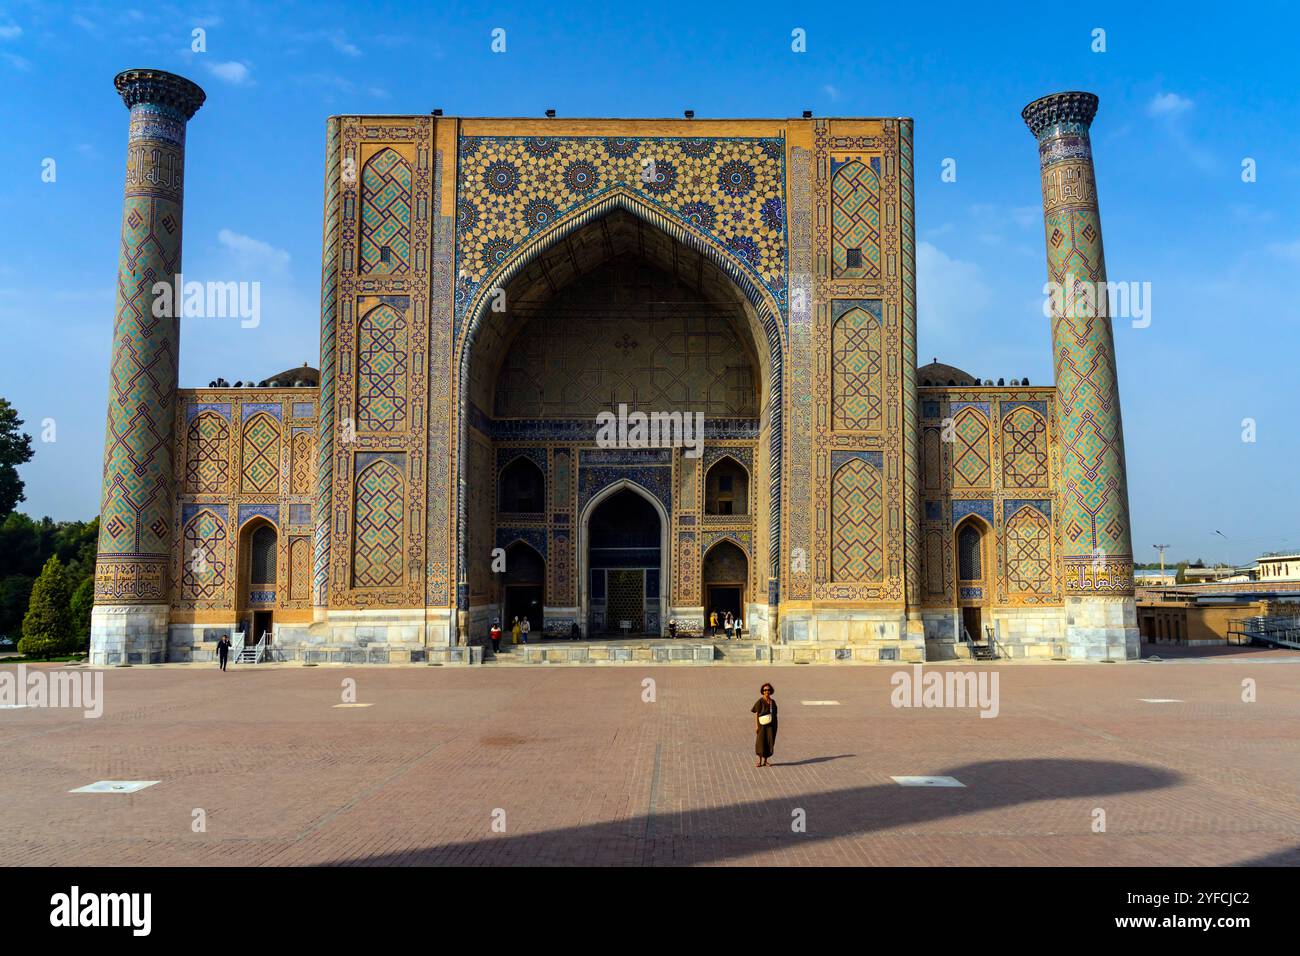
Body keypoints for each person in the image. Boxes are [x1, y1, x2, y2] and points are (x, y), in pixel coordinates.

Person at [751, 682, 778, 767]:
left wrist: (775, 725)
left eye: (768, 690)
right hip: (762, 725)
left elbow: (775, 713)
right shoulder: (760, 701)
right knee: (760, 742)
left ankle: (766, 761)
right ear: (762, 691)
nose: (767, 691)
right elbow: (756, 713)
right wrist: (756, 726)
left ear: (771, 691)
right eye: (765, 690)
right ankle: (759, 761)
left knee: (769, 742)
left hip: (771, 726)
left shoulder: (772, 702)